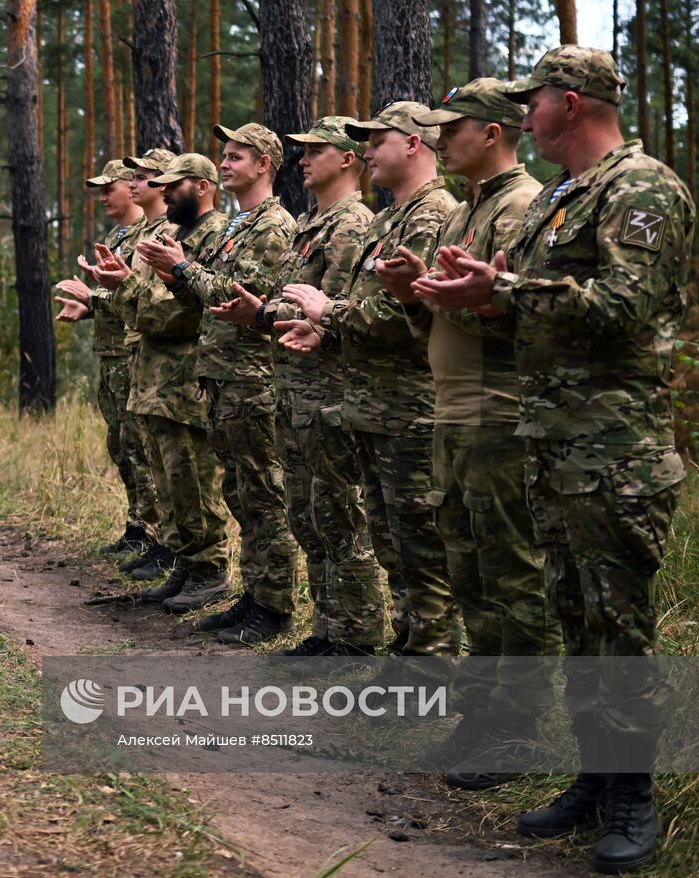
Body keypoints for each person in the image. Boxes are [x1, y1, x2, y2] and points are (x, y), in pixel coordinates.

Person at [412, 46, 695, 874]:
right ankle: (593, 778)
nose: (525, 113)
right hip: (550, 446)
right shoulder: (563, 199)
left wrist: (502, 293)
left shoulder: (640, 187)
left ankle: (634, 797)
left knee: (619, 629)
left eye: (535, 100)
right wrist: (466, 295)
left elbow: (624, 307)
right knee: (576, 618)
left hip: (615, 455)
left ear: (571, 103)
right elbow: (529, 321)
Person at [375, 79, 561, 788]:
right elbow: (445, 315)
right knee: (471, 576)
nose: (442, 138)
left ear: (493, 132)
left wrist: (472, 301)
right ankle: (482, 715)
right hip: (452, 414)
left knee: (512, 577)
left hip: (497, 413)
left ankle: (518, 729)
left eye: (454, 127)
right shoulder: (468, 211)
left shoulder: (521, 206)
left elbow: (521, 316)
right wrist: (413, 293)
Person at [278, 103, 459, 663]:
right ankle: (407, 654)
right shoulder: (389, 220)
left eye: (377, 140)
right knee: (392, 544)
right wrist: (325, 327)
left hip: (410, 406)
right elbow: (368, 307)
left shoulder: (434, 215)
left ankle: (430, 666)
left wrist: (328, 318)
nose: (368, 151)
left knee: (420, 548)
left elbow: (407, 313)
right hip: (374, 405)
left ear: (412, 144)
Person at [211, 116, 381, 657]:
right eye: (301, 151)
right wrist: (266, 312)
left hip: (328, 390)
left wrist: (262, 312)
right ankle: (328, 628)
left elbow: (327, 307)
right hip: (296, 388)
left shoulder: (351, 223)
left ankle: (355, 637)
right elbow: (294, 302)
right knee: (309, 515)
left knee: (338, 517)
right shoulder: (314, 222)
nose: (303, 159)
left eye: (315, 151)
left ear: (347, 159)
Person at [136, 125, 299, 641]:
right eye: (224, 156)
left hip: (253, 378)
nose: (225, 164)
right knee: (240, 494)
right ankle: (252, 596)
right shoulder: (241, 226)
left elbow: (239, 296)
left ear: (265, 164)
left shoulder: (274, 225)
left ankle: (274, 607)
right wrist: (172, 277)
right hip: (224, 380)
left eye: (237, 157)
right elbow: (207, 299)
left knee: (263, 497)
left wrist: (183, 268)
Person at [62, 153, 233, 611]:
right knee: (169, 479)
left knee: (193, 480)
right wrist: (115, 291)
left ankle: (209, 570)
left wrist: (121, 291)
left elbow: (171, 312)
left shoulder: (212, 235)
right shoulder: (175, 236)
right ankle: (185, 562)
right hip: (153, 377)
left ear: (199, 186)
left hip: (181, 379)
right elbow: (144, 308)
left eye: (167, 181)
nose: (159, 187)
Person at [60, 148, 179, 583]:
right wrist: (89, 308)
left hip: (141, 356)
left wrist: (93, 298)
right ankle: (141, 527)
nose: (113, 194)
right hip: (116, 352)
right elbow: (123, 299)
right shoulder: (119, 238)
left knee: (148, 451)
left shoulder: (163, 234)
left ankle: (155, 536)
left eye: (113, 188)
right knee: (126, 446)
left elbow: (154, 301)